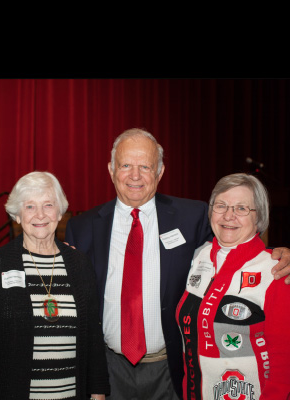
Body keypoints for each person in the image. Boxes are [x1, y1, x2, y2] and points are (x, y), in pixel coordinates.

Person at [64, 128, 290, 400]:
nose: (135, 176)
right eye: (126, 165)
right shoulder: (83, 227)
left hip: (173, 370)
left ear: (159, 172)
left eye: (145, 166)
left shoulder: (192, 217)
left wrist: (281, 253)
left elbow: (234, 242)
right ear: (111, 169)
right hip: (109, 368)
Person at [0, 171, 110, 400]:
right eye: (30, 206)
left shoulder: (80, 265)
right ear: (17, 215)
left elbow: (93, 336)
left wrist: (98, 392)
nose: (40, 214)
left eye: (48, 205)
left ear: (60, 212)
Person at [176, 173, 290, 399]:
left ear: (259, 218)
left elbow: (283, 361)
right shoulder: (199, 256)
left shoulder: (275, 270)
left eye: (241, 208)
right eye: (221, 206)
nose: (229, 215)